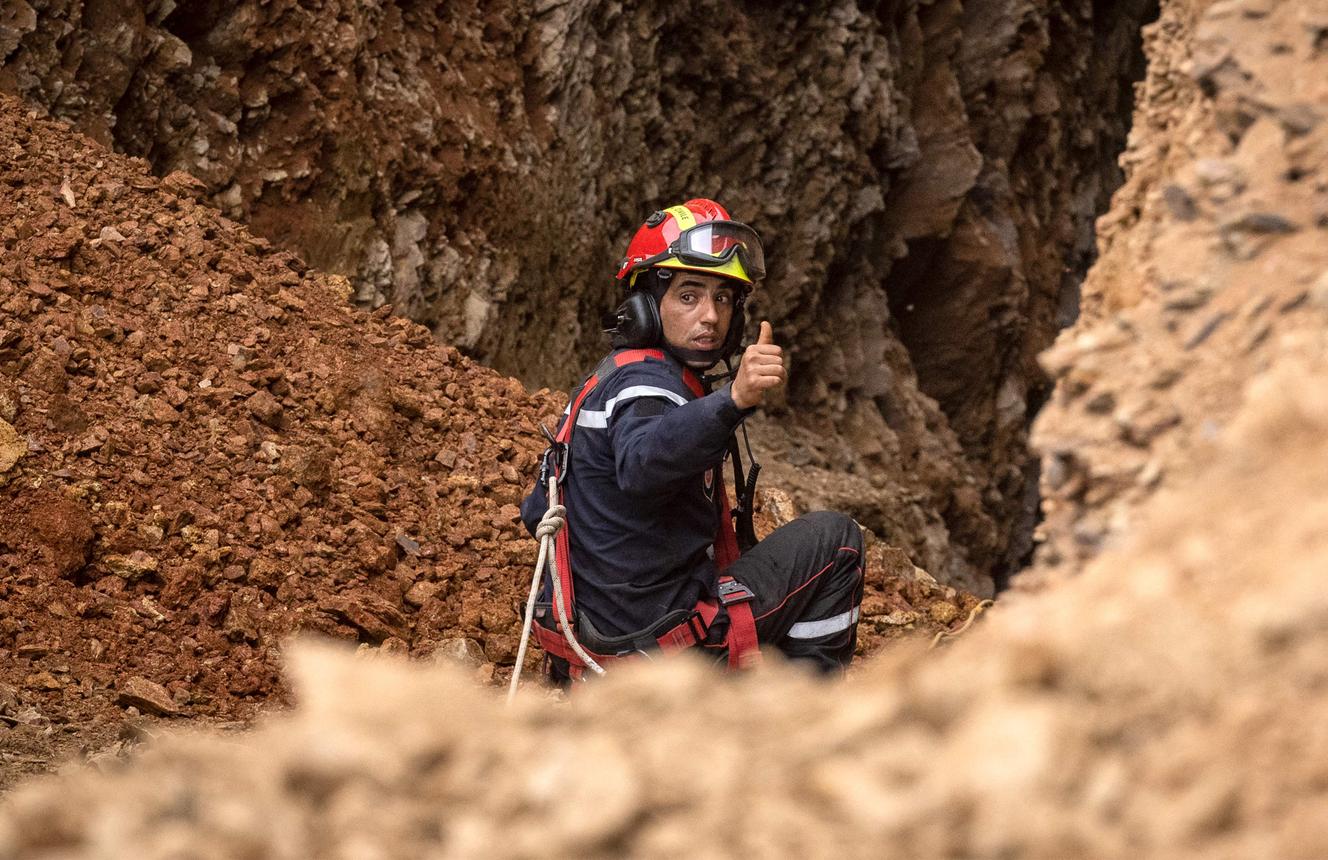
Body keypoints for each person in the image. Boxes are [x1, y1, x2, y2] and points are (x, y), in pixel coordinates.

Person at [520, 198, 863, 681]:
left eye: (723, 298)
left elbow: (536, 511)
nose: (710, 316)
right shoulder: (648, 386)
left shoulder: (612, 379)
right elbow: (643, 463)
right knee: (837, 539)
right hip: (663, 657)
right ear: (645, 305)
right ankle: (800, 713)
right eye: (688, 296)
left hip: (593, 655)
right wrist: (734, 399)